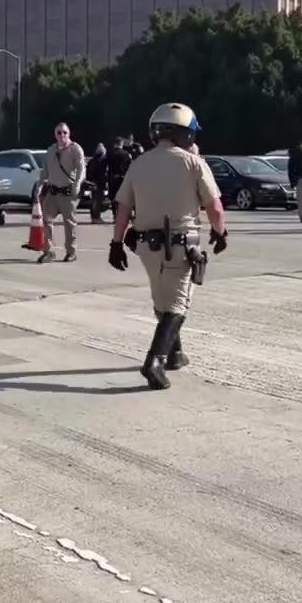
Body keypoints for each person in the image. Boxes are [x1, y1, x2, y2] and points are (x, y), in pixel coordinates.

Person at [107, 102, 227, 391]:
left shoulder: (139, 163)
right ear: (185, 133)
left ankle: (174, 353)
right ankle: (155, 361)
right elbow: (215, 207)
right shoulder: (193, 163)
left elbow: (123, 206)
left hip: (146, 247)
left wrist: (116, 242)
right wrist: (220, 233)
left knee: (162, 299)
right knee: (177, 306)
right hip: (181, 246)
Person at [36, 122, 87, 263]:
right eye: (59, 132)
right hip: (52, 193)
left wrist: (77, 184)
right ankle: (49, 251)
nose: (62, 135)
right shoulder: (51, 150)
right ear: (55, 134)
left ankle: (71, 251)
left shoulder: (75, 149)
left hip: (68, 193)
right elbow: (45, 170)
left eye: (65, 132)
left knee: (69, 223)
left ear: (69, 134)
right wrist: (39, 185)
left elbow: (82, 169)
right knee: (46, 220)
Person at [104, 137, 132, 220]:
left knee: (113, 197)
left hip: (112, 178)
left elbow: (105, 166)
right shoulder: (126, 154)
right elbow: (130, 167)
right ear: (121, 144)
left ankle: (115, 215)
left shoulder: (109, 154)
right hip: (123, 178)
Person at [86, 143, 109, 223]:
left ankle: (94, 217)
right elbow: (104, 173)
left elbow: (88, 172)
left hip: (92, 183)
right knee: (98, 201)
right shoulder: (103, 161)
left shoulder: (92, 161)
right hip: (100, 183)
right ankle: (96, 217)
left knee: (94, 200)